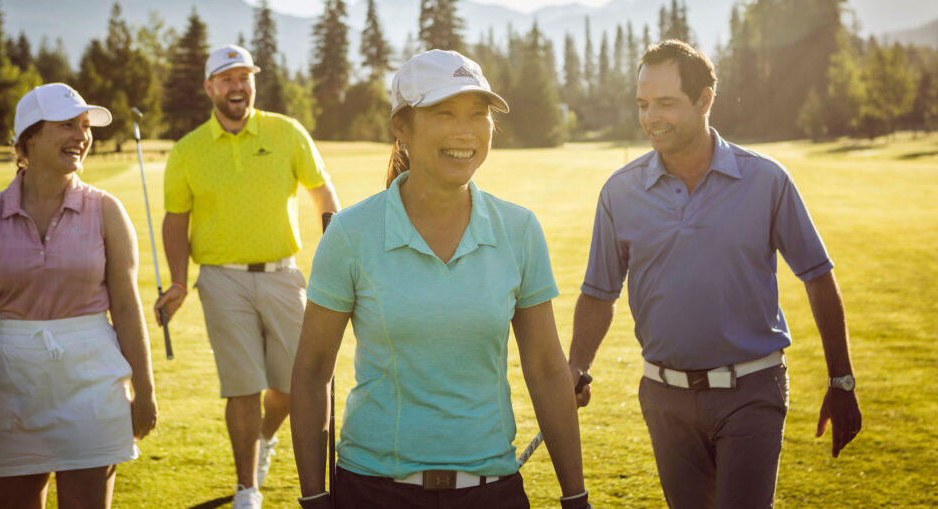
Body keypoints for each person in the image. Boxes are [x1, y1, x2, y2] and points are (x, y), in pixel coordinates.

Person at [291, 49, 591, 509]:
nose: (465, 131)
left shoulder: (519, 230)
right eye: (444, 112)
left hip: (492, 491)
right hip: (374, 491)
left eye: (478, 114)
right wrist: (313, 497)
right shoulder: (352, 233)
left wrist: (576, 497)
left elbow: (548, 370)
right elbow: (312, 372)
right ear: (402, 127)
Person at [568, 40, 862, 507]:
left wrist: (841, 381)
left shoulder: (766, 180)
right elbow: (599, 293)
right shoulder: (619, 193)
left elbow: (817, 277)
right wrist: (576, 366)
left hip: (752, 391)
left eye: (666, 104)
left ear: (705, 100)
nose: (650, 118)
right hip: (664, 399)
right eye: (643, 105)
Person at [153, 44, 340, 509]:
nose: (238, 86)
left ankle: (264, 438)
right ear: (210, 87)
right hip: (221, 280)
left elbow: (322, 194)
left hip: (283, 275)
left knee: (293, 386)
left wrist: (338, 254)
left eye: (245, 77)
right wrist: (179, 281)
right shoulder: (189, 150)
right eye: (227, 78)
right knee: (241, 385)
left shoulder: (286, 132)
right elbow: (176, 220)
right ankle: (247, 488)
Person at [0, 83, 158, 509]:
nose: (82, 136)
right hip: (12, 380)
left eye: (86, 126)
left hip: (93, 377)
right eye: (68, 125)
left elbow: (125, 307)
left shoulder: (106, 210)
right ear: (29, 135)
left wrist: (146, 389)